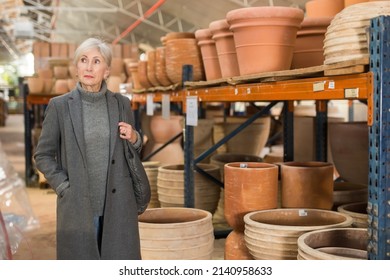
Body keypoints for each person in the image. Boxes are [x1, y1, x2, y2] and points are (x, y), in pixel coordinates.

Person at [34, 37, 144, 260]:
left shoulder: (121, 103)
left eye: (96, 61)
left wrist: (134, 137)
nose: (89, 67)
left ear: (106, 71)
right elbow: (42, 155)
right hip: (78, 204)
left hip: (117, 204)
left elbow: (133, 151)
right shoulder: (60, 106)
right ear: (76, 68)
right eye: (83, 60)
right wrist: (64, 186)